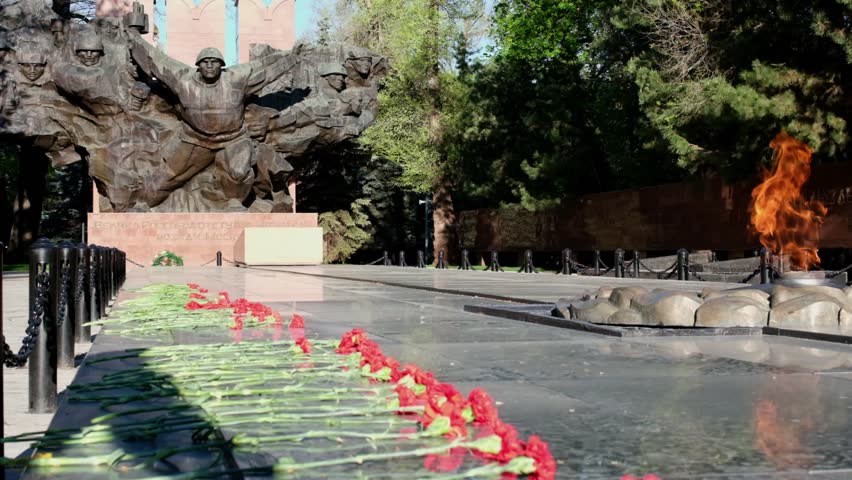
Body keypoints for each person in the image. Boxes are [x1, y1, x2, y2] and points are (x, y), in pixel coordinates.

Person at [125, 25, 302, 206]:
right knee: (167, 177)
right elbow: (155, 60)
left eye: (214, 61)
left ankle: (235, 202)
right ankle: (141, 204)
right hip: (195, 139)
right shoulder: (182, 79)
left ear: (221, 65)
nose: (209, 65)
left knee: (239, 171)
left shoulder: (236, 78)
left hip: (233, 139)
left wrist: (291, 57)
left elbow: (264, 69)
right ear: (198, 65)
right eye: (205, 61)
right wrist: (134, 38)